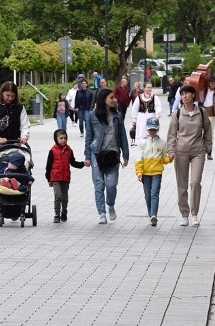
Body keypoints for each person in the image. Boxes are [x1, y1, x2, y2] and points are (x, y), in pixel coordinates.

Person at [167, 84, 212, 226]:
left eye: (187, 93)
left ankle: (194, 214)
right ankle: (184, 214)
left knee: (195, 182)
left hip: (198, 151)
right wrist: (171, 150)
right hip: (181, 152)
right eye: (182, 94)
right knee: (182, 185)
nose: (184, 96)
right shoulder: (177, 114)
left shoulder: (202, 112)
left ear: (193, 95)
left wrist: (207, 147)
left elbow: (208, 130)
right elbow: (171, 134)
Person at [83, 87, 129, 224]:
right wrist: (87, 156)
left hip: (113, 155)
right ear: (103, 99)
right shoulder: (92, 116)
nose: (114, 100)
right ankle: (101, 213)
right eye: (111, 98)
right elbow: (89, 137)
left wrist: (125, 154)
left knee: (111, 185)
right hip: (96, 153)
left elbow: (123, 136)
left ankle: (110, 204)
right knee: (99, 184)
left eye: (114, 97)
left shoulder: (118, 115)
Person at [135, 117, 172, 226]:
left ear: (157, 129)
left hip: (157, 173)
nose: (152, 132)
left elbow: (164, 158)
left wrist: (169, 158)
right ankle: (150, 213)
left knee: (154, 193)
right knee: (147, 195)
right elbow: (139, 158)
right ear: (147, 129)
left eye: (154, 130)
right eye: (150, 130)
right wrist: (139, 172)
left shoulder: (162, 143)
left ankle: (154, 214)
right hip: (145, 173)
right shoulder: (142, 142)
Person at [45, 129, 85, 223]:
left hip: (65, 177)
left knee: (65, 197)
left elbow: (73, 162)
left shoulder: (69, 150)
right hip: (55, 177)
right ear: (56, 139)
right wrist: (48, 179)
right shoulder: (52, 151)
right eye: (61, 138)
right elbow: (48, 166)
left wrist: (83, 164)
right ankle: (57, 214)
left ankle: (64, 211)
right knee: (58, 196)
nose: (63, 140)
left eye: (65, 138)